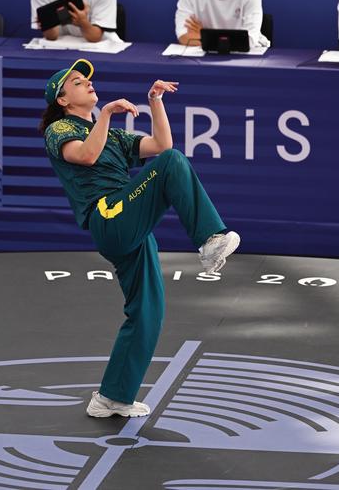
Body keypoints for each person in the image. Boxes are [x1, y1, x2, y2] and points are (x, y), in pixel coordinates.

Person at [39, 59, 240, 417]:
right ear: (63, 99)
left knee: (148, 311)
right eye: (76, 81)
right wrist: (106, 115)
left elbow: (161, 143)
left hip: (129, 219)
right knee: (173, 164)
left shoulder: (114, 136)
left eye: (87, 78)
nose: (86, 82)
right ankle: (210, 238)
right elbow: (85, 156)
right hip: (108, 215)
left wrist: (155, 101)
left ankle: (112, 396)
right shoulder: (58, 129)